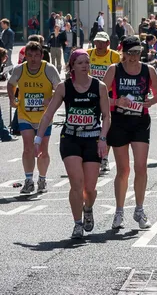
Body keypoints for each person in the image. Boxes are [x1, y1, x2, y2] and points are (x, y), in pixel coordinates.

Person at [34, 50, 110, 238]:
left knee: (90, 189)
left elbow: (107, 117)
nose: (85, 66)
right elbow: (48, 115)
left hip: (92, 139)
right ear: (72, 66)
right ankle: (77, 224)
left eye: (87, 62)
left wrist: (102, 139)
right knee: (76, 183)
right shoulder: (63, 87)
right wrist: (38, 139)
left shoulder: (99, 86)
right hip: (71, 138)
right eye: (80, 63)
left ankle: (88, 208)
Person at [103, 36, 157, 230]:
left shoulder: (148, 70)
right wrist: (116, 102)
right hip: (118, 121)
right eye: (130, 53)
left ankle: (139, 209)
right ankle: (119, 211)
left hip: (139, 122)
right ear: (124, 52)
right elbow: (100, 96)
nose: (134, 57)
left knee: (141, 167)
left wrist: (150, 101)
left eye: (137, 53)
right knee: (123, 170)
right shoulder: (114, 70)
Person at [7, 41, 61, 194]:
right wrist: (12, 99)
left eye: (36, 56)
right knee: (27, 148)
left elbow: (60, 89)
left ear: (41, 56)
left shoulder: (48, 69)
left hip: (45, 117)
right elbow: (11, 85)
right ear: (25, 56)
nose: (33, 59)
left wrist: (50, 100)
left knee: (43, 150)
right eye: (29, 56)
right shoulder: (20, 69)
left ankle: (42, 179)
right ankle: (29, 180)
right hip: (25, 115)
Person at [87, 31, 121, 172]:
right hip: (90, 94)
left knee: (107, 127)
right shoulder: (88, 54)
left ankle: (104, 158)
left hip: (109, 95)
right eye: (97, 42)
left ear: (108, 43)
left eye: (102, 42)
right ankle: (90, 156)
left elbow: (120, 76)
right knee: (89, 126)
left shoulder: (114, 56)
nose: (99, 45)